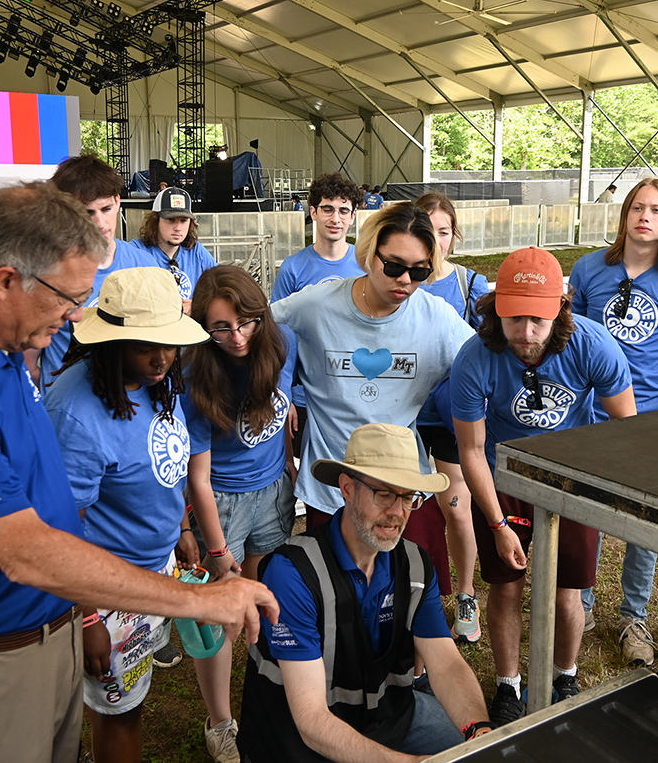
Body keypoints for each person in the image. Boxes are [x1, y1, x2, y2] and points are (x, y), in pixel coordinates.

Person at [0, 182, 277, 763]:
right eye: (67, 296)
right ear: (7, 281)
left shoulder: (3, 350)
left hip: (48, 627)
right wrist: (196, 601)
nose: (78, 315)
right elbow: (23, 551)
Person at [451, 247, 635, 725]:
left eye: (538, 320)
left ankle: (564, 675)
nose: (526, 334)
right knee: (506, 588)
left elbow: (626, 429)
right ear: (495, 310)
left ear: (561, 309)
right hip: (504, 479)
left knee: (566, 592)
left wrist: (594, 490)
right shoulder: (474, 358)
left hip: (568, 477)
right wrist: (495, 525)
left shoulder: (593, 345)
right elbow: (472, 451)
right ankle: (509, 685)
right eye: (514, 319)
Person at [238, 423, 495, 762]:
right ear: (346, 488)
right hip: (297, 745)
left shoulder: (416, 565)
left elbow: (445, 664)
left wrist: (480, 732)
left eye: (407, 497)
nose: (397, 512)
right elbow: (311, 720)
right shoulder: (293, 574)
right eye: (384, 494)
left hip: (388, 718)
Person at [43, 266, 208, 763]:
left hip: (153, 573)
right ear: (112, 343)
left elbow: (165, 460)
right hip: (104, 591)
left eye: (170, 343)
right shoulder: (77, 412)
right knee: (120, 714)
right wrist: (88, 615)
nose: (162, 358)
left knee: (126, 700)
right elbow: (60, 529)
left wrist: (179, 526)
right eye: (145, 346)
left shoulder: (157, 380)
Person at [569, 177, 658, 666]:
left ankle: (634, 614)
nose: (645, 217)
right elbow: (574, 337)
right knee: (587, 511)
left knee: (641, 519)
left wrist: (641, 390)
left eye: (657, 210)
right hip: (589, 413)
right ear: (624, 214)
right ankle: (579, 603)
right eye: (637, 207)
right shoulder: (588, 269)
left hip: (650, 414)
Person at [270, 202, 475, 528]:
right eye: (394, 266)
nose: (406, 280)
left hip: (400, 486)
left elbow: (485, 365)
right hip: (332, 486)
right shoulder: (315, 305)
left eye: (420, 271)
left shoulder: (437, 318)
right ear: (369, 254)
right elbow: (256, 326)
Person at [183, 265, 298, 763]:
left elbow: (290, 409)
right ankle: (221, 722)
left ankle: (268, 696)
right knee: (220, 618)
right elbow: (198, 478)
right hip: (222, 505)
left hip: (275, 491)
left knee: (266, 602)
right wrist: (215, 549)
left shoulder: (284, 342)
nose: (237, 337)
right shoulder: (196, 371)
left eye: (247, 321)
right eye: (221, 327)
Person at [415, 192, 491, 643]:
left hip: (447, 416)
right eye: (426, 230)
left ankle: (465, 594)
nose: (435, 240)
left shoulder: (469, 284)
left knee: (456, 507)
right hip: (402, 414)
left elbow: (488, 351)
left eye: (443, 232)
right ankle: (409, 593)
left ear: (453, 236)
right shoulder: (394, 279)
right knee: (405, 509)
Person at [270, 172, 365, 460]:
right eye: (327, 209)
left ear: (352, 216)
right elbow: (277, 338)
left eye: (343, 210)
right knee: (307, 477)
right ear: (313, 212)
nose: (335, 218)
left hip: (353, 395)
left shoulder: (366, 266)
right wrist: (281, 397)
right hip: (304, 397)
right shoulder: (293, 268)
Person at [30, 154, 136, 389]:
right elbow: (29, 362)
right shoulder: (45, 273)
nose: (100, 223)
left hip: (128, 405)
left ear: (118, 202)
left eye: (106, 208)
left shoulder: (144, 263)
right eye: (88, 213)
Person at [125, 186, 217, 312]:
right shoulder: (135, 251)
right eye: (171, 220)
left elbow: (222, 288)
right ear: (156, 220)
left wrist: (198, 306)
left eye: (183, 220)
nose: (178, 227)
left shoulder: (196, 251)